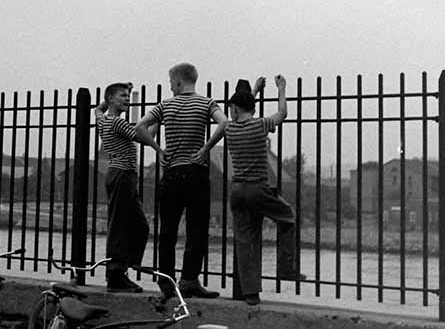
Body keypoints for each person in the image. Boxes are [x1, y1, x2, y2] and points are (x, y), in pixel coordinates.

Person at [134, 63, 227, 301]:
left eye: (170, 82)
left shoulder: (165, 105)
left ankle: (166, 280)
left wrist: (158, 149)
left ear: (177, 81)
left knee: (168, 229)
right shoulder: (206, 103)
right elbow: (224, 123)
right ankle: (189, 280)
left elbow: (140, 127)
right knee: (197, 230)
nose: (170, 86)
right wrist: (206, 148)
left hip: (172, 173)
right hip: (196, 172)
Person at [223, 74, 301, 306]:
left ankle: (250, 294)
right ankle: (287, 268)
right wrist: (282, 89)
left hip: (236, 191)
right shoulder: (260, 126)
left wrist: (254, 91)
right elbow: (282, 113)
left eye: (231, 108)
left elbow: (241, 111)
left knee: (245, 241)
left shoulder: (230, 129)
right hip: (258, 189)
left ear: (234, 109)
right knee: (288, 218)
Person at [95, 82, 160, 292]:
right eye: (123, 96)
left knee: (139, 225)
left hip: (122, 176)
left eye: (128, 96)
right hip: (123, 175)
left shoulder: (102, 119)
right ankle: (116, 274)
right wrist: (159, 118)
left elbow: (98, 108)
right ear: (112, 99)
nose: (127, 99)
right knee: (121, 225)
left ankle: (124, 266)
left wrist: (111, 95)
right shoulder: (116, 123)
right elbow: (144, 137)